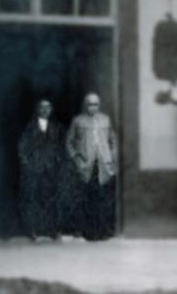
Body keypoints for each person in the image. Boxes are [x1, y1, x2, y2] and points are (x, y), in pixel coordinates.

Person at [66, 93, 118, 241]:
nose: (92, 107)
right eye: (90, 104)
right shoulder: (78, 121)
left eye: (95, 104)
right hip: (86, 166)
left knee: (103, 199)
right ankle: (89, 232)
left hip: (104, 166)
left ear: (99, 105)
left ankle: (104, 231)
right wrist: (77, 159)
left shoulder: (105, 119)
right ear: (85, 105)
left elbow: (113, 141)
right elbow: (69, 143)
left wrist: (112, 159)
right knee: (88, 198)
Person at [18, 99, 64, 240]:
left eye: (47, 107)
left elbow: (61, 146)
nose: (45, 110)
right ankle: (33, 230)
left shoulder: (57, 127)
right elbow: (22, 146)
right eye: (42, 108)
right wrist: (27, 162)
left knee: (50, 198)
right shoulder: (30, 127)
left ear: (51, 110)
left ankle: (51, 230)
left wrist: (57, 160)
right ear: (37, 109)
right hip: (34, 168)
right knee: (34, 199)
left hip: (50, 168)